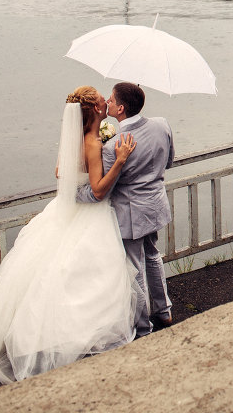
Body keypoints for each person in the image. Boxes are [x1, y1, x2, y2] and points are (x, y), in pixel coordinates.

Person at [0, 87, 139, 384]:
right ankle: (79, 332)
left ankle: (31, 331)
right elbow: (97, 191)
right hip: (91, 216)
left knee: (50, 269)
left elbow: (61, 171)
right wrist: (120, 160)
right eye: (101, 99)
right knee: (90, 272)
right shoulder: (93, 142)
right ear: (96, 110)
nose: (105, 101)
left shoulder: (76, 139)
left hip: (63, 211)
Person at [77, 81, 175, 337]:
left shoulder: (114, 147)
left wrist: (75, 195)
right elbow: (169, 162)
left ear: (120, 109)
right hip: (156, 205)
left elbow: (101, 191)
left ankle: (143, 327)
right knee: (153, 256)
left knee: (134, 270)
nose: (107, 102)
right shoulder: (162, 124)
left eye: (110, 99)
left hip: (131, 214)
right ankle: (164, 310)